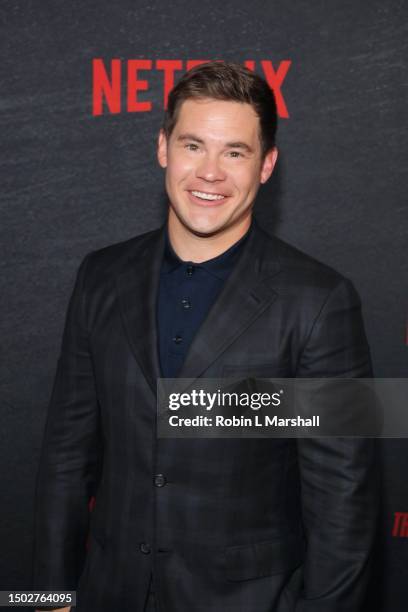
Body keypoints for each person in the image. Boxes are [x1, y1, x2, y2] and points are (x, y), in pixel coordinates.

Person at [32, 61, 379, 612]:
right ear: (163, 148)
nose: (210, 173)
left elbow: (344, 500)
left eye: (235, 152)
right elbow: (65, 458)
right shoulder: (99, 275)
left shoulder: (321, 300)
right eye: (194, 146)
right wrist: (46, 598)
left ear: (266, 166)